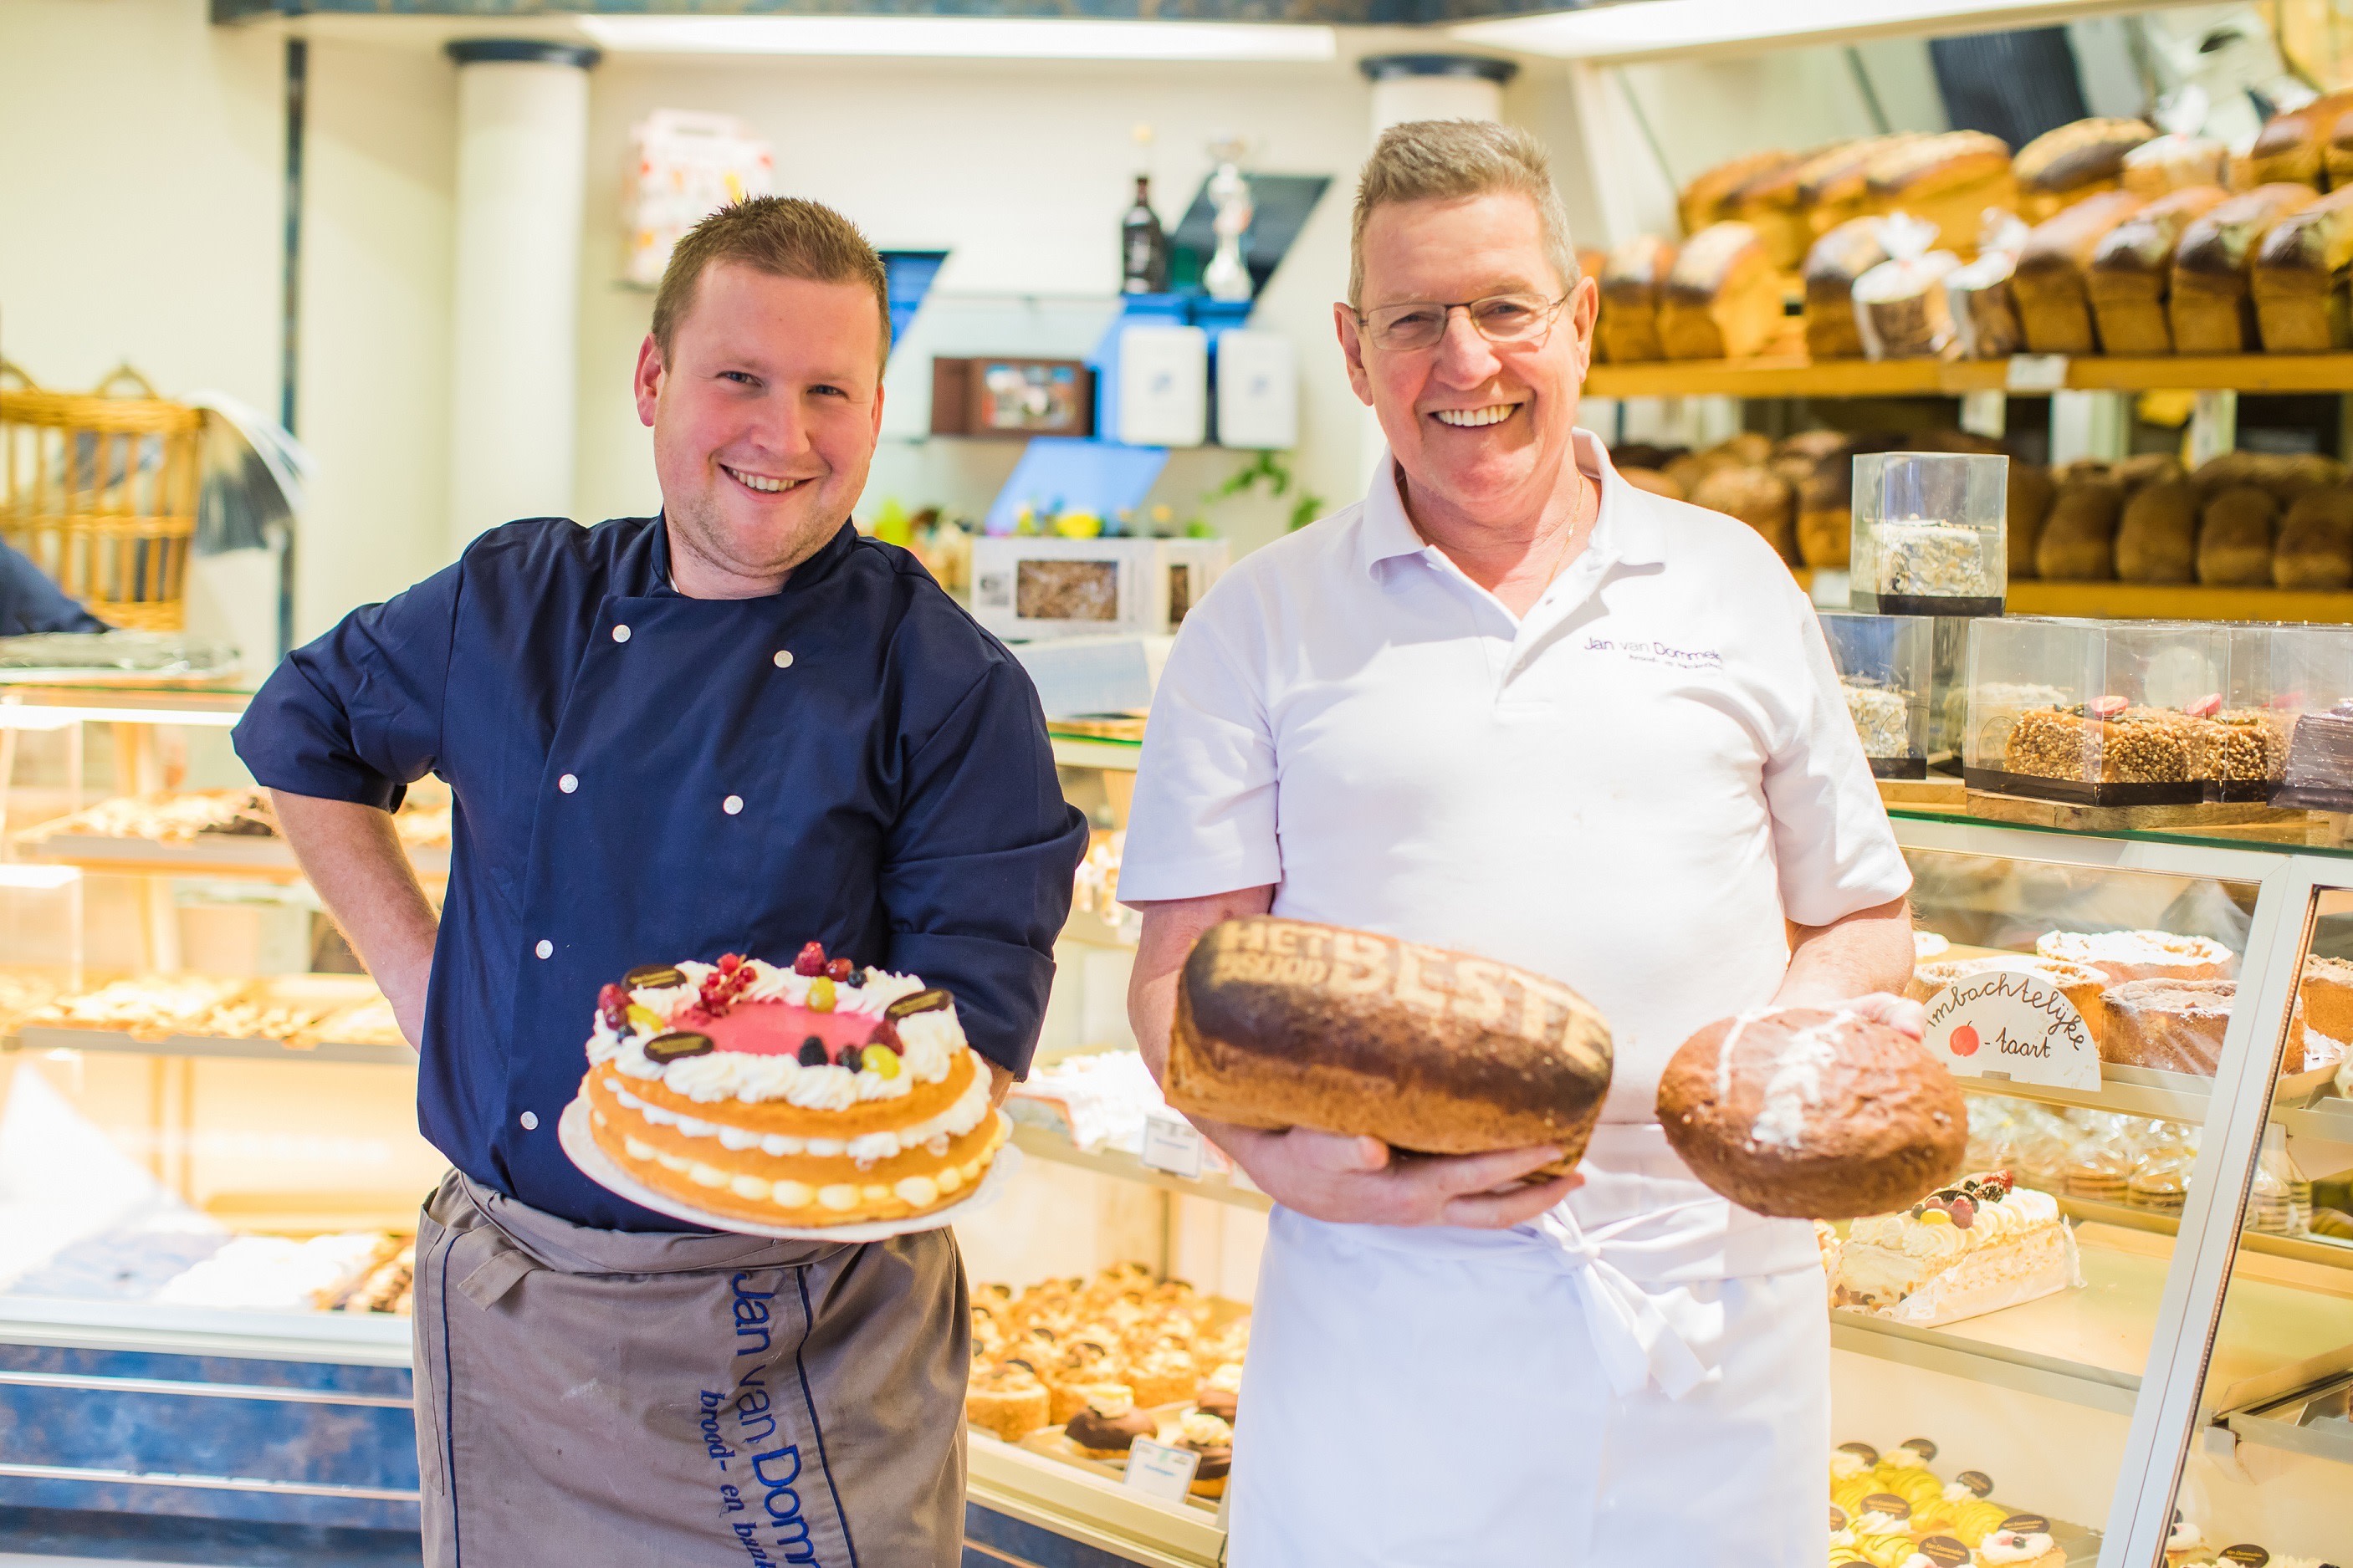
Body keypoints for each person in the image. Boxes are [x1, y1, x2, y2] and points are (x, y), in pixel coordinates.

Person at [233, 197, 1088, 1567]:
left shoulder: (952, 687)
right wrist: (418, 979)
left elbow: (966, 1059)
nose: (783, 436)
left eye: (829, 393)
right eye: (738, 379)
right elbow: (298, 730)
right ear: (651, 381)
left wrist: (766, 1137)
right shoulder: (515, 602)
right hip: (519, 1313)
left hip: (808, 1343)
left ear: (874, 413)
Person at [1119, 120, 1920, 1565]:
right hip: (1388, 1312)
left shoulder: (1732, 580)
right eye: (1416, 321)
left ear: (1580, 319)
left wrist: (1771, 1079)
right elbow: (1179, 987)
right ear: (1356, 353)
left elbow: (1860, 916)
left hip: (1710, 1304)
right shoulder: (1261, 617)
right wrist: (1286, 1173)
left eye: (1502, 309)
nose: (1466, 363)